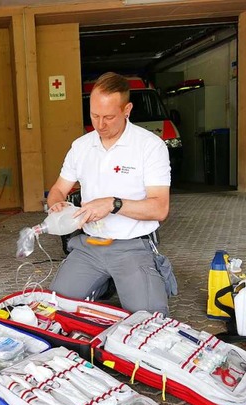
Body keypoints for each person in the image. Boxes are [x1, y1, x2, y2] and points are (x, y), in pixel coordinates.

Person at [47, 72, 172, 316]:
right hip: (89, 246)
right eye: (94, 115)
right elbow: (59, 189)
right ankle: (105, 283)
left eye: (109, 117)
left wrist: (113, 204)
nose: (100, 125)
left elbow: (160, 208)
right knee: (54, 309)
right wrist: (56, 205)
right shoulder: (81, 146)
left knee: (150, 320)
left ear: (127, 110)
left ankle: (119, 281)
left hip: (132, 247)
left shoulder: (149, 146)